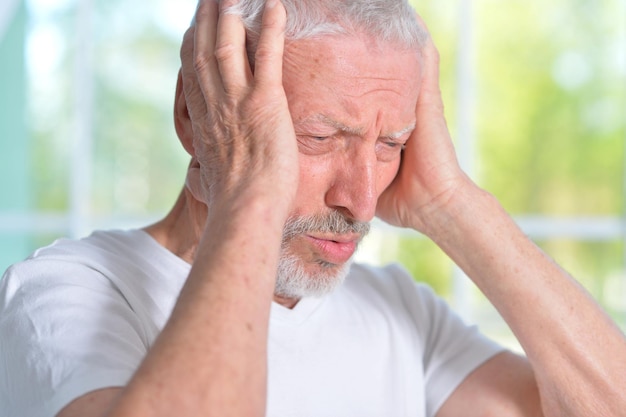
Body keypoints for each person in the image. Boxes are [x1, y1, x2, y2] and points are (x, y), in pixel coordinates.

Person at [1, 0, 625, 416]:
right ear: (198, 114)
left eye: (390, 145)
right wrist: (250, 188)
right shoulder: (67, 291)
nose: (359, 200)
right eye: (320, 137)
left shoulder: (402, 313)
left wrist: (450, 201)